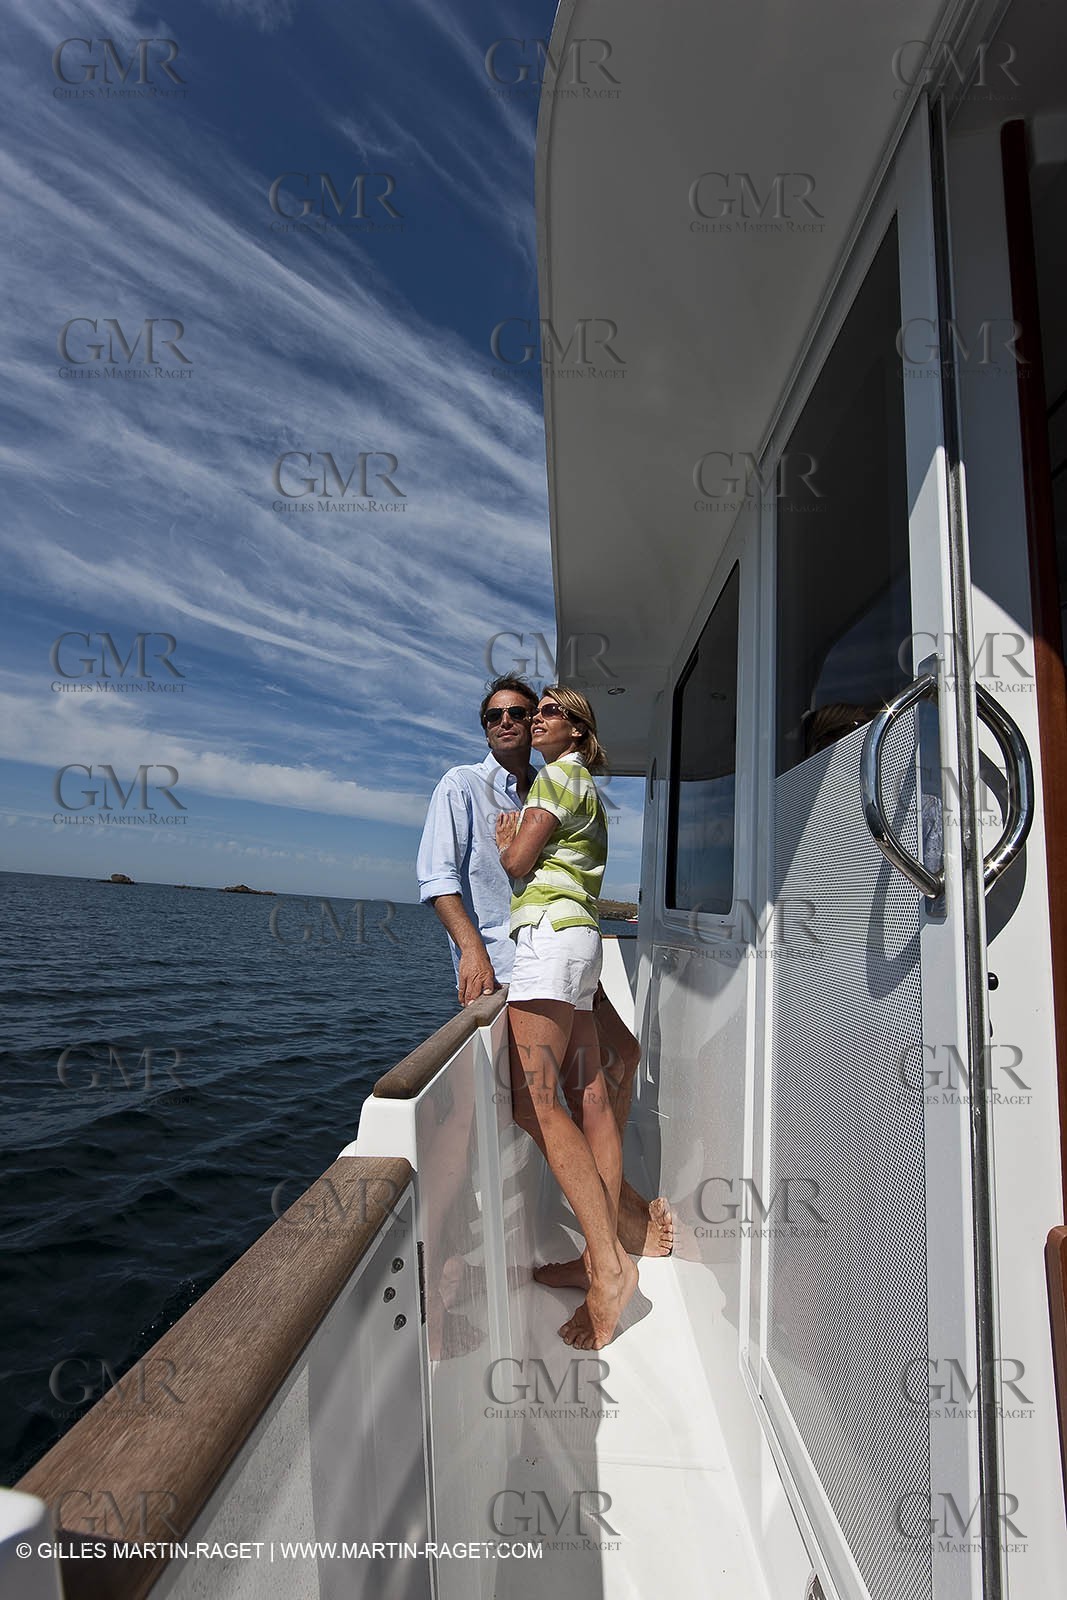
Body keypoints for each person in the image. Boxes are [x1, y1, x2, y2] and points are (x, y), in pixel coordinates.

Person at [417, 676, 672, 1262]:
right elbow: (438, 881)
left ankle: (606, 1221)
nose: (508, 722)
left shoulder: (549, 783)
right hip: (508, 967)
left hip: (553, 953)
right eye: (493, 716)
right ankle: (611, 1223)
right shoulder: (462, 786)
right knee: (529, 1103)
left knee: (617, 1061)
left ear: (541, 723)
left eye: (521, 712)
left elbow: (535, 866)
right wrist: (473, 952)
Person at [496, 686, 636, 1349]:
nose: (531, 721)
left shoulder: (552, 778)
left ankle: (608, 1268)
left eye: (547, 712)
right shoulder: (582, 782)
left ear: (576, 732)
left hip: (549, 941)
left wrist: (506, 840)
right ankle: (597, 1258)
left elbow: (519, 864)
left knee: (537, 1104)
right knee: (586, 1098)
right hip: (580, 943)